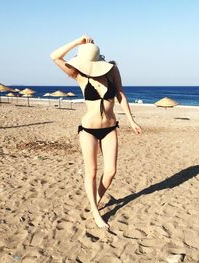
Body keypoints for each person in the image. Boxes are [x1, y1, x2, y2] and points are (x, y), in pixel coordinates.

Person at [50, 35, 142, 228]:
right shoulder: (78, 74)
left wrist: (131, 120)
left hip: (110, 128)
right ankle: (94, 210)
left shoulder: (112, 70)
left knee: (110, 171)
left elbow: (120, 94)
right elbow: (55, 57)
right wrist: (77, 42)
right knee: (91, 173)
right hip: (88, 130)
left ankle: (96, 201)